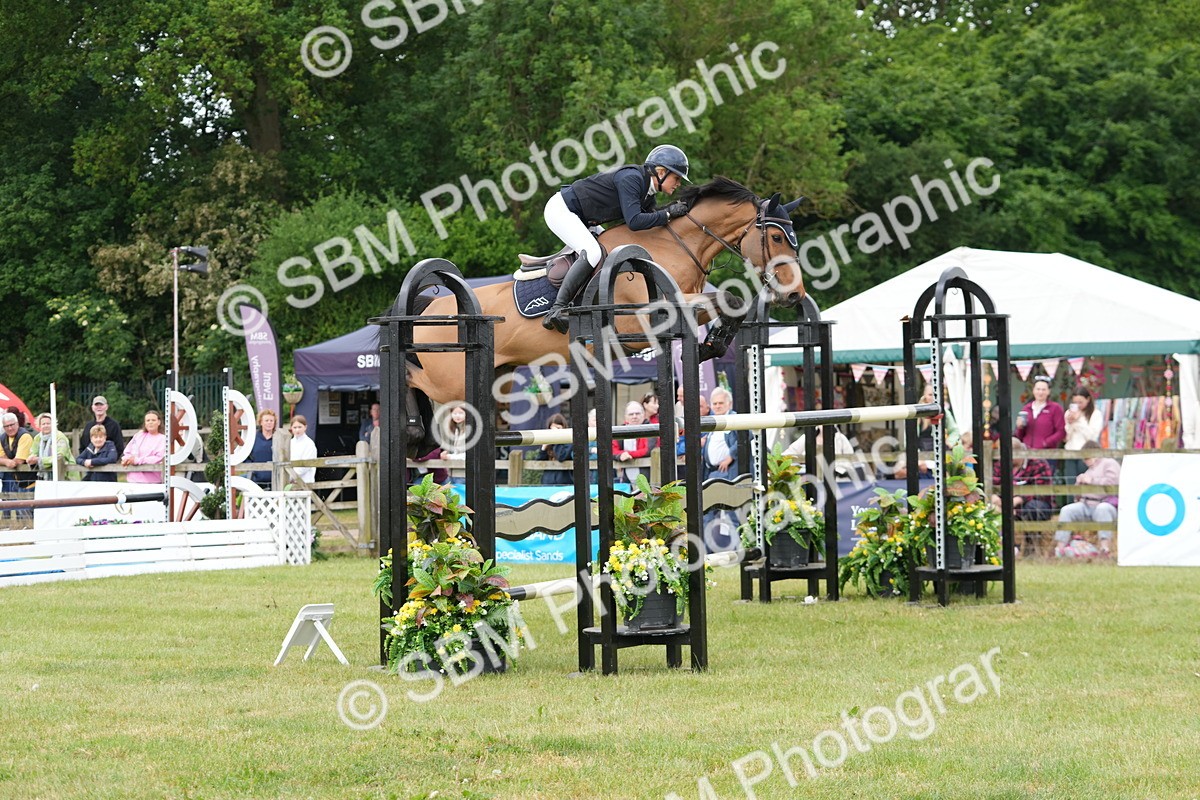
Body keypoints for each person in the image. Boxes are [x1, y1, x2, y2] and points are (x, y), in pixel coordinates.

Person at [541, 144, 690, 333]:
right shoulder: (632, 179)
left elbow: (651, 220)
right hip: (562, 210)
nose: (678, 183)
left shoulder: (647, 194)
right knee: (593, 252)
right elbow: (635, 221)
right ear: (660, 172)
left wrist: (672, 214)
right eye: (676, 177)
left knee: (608, 253)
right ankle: (557, 309)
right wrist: (668, 214)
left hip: (585, 218)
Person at [1054, 441, 1119, 557]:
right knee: (1067, 510)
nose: (1084, 461)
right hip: (1087, 504)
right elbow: (1077, 497)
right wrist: (1078, 488)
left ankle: (1105, 548)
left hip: (1106, 504)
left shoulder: (1110, 463)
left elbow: (1112, 484)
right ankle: (1060, 548)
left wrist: (1092, 481)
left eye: (1086, 457)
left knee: (1103, 509)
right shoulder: (1089, 470)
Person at [1063, 387, 1103, 480]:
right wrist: (1070, 422)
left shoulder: (1095, 414)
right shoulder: (1068, 413)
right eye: (1075, 402)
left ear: (1088, 399)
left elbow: (1092, 436)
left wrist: (1078, 421)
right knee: (1070, 484)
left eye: (1080, 402)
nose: (1078, 405)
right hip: (1071, 452)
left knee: (1086, 483)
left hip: (1087, 453)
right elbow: (1067, 436)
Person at [1016, 376, 1065, 451]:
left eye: (1044, 390)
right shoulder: (1026, 409)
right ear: (1033, 390)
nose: (1040, 392)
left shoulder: (1055, 408)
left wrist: (1046, 443)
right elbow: (1020, 435)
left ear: (1049, 391)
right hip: (1027, 452)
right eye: (1038, 389)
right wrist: (1019, 427)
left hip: (1047, 452)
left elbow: (1061, 431)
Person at [784, 426, 855, 478]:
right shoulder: (807, 437)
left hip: (835, 478)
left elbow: (851, 459)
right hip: (808, 476)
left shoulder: (841, 439)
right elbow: (789, 453)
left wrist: (837, 470)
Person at [1, 412, 35, 516]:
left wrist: (7, 462)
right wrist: (6, 461)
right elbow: (4, 459)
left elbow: (19, 460)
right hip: (15, 480)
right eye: (6, 426)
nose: (10, 428)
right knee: (17, 509)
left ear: (17, 424)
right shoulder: (2, 438)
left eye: (12, 425)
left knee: (27, 511)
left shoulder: (25, 436)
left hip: (30, 481)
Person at [121, 410, 167, 483]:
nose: (150, 422)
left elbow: (159, 458)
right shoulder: (138, 435)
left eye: (153, 420)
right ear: (145, 423)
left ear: (159, 422)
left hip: (151, 481)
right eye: (148, 420)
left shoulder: (163, 439)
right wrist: (127, 459)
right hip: (132, 480)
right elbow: (127, 451)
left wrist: (138, 460)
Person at [702, 388, 737, 480]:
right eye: (715, 403)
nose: (717, 406)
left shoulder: (735, 418)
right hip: (713, 472)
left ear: (729, 404)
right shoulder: (713, 420)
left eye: (721, 403)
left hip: (729, 473)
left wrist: (731, 456)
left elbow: (746, 436)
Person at [249, 409, 288, 489]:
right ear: (261, 422)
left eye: (271, 421)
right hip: (256, 482)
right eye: (266, 420)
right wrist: (252, 470)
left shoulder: (279, 438)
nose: (269, 423)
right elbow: (246, 457)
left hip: (275, 483)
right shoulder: (253, 439)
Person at [613, 402, 650, 484]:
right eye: (631, 414)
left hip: (648, 476)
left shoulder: (651, 429)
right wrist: (620, 455)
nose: (634, 416)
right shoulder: (619, 431)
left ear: (643, 415)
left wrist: (627, 454)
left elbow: (647, 450)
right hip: (626, 477)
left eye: (637, 413)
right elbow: (612, 450)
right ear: (626, 417)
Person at [28, 413, 73, 481]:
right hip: (44, 475)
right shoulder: (37, 438)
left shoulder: (60, 437)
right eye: (43, 424)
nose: (46, 426)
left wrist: (40, 460)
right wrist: (31, 458)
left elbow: (60, 456)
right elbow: (33, 452)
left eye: (48, 423)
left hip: (65, 474)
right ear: (39, 426)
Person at [537, 413, 573, 485]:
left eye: (558, 428)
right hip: (548, 481)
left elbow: (561, 457)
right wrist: (543, 448)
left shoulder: (569, 442)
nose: (555, 431)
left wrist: (556, 440)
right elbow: (539, 462)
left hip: (565, 482)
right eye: (552, 429)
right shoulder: (547, 442)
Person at [441, 404, 473, 485]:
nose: (457, 416)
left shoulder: (468, 431)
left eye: (461, 413)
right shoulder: (456, 430)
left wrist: (449, 457)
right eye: (455, 413)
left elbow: (470, 454)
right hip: (454, 471)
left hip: (464, 472)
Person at [288, 415, 318, 486]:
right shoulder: (290, 443)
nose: (297, 430)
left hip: (305, 481)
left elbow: (306, 465)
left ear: (305, 427)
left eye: (299, 427)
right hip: (290, 482)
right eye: (295, 427)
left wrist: (292, 476)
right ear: (291, 428)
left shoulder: (309, 444)